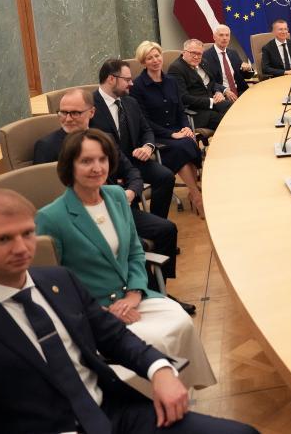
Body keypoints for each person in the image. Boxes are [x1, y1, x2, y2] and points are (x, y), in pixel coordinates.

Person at [0, 188, 257, 434]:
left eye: (27, 234)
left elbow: (114, 337)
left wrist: (160, 369)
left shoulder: (59, 280)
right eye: (3, 239)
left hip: (112, 414)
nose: (21, 248)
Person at [34, 129, 217, 391]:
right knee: (153, 341)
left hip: (133, 295)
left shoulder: (117, 196)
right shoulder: (51, 217)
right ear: (69, 166)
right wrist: (100, 313)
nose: (97, 168)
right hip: (94, 311)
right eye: (86, 161)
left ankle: (178, 394)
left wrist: (134, 293)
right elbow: (50, 284)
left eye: (102, 159)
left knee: (181, 322)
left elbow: (134, 251)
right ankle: (151, 402)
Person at [32, 89, 186, 311]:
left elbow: (131, 171)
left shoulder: (103, 139)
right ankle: (149, 288)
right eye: (63, 113)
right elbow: (47, 189)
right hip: (78, 218)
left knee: (166, 229)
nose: (68, 118)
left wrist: (130, 192)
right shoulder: (47, 146)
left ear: (91, 112)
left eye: (75, 113)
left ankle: (156, 288)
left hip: (115, 205)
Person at [89, 60, 176, 221]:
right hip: (107, 167)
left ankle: (157, 222)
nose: (132, 83)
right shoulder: (90, 105)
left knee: (166, 177)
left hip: (134, 160)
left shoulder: (130, 102)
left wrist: (148, 147)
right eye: (127, 80)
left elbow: (146, 130)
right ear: (111, 79)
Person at [131, 42, 205, 218]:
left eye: (157, 56)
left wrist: (186, 127)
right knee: (181, 147)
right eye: (150, 58)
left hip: (177, 130)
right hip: (155, 134)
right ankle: (196, 196)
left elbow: (180, 110)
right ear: (143, 62)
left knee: (189, 141)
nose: (155, 60)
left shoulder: (171, 81)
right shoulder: (137, 86)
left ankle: (193, 192)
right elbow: (144, 121)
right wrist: (172, 134)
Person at [168, 39, 232, 131]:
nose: (196, 57)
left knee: (233, 109)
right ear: (184, 52)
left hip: (212, 102)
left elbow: (212, 83)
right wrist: (210, 101)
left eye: (199, 54)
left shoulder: (203, 62)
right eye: (193, 53)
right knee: (226, 122)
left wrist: (218, 92)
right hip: (196, 110)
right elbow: (183, 98)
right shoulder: (176, 69)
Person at [203, 24, 249, 100]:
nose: (224, 38)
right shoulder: (206, 56)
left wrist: (248, 69)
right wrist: (224, 90)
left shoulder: (233, 53)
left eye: (227, 35)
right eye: (221, 35)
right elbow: (208, 81)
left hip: (241, 91)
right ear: (214, 37)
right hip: (221, 95)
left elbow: (245, 75)